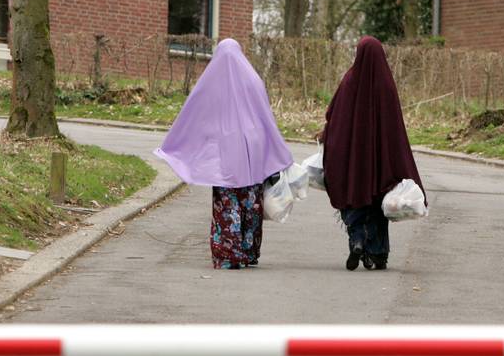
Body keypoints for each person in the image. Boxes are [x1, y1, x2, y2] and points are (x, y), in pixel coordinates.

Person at [154, 39, 293, 269]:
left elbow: (193, 113)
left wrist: (176, 144)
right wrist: (276, 148)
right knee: (251, 202)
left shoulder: (211, 82)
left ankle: (229, 254)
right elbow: (266, 117)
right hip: (252, 150)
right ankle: (248, 252)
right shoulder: (252, 80)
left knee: (227, 202)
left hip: (224, 151)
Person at [321, 36, 425, 271]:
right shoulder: (386, 84)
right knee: (376, 203)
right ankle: (376, 254)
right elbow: (394, 127)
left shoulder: (349, 81)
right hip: (380, 163)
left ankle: (357, 239)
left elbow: (333, 116)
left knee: (352, 194)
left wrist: (328, 139)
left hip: (351, 159)